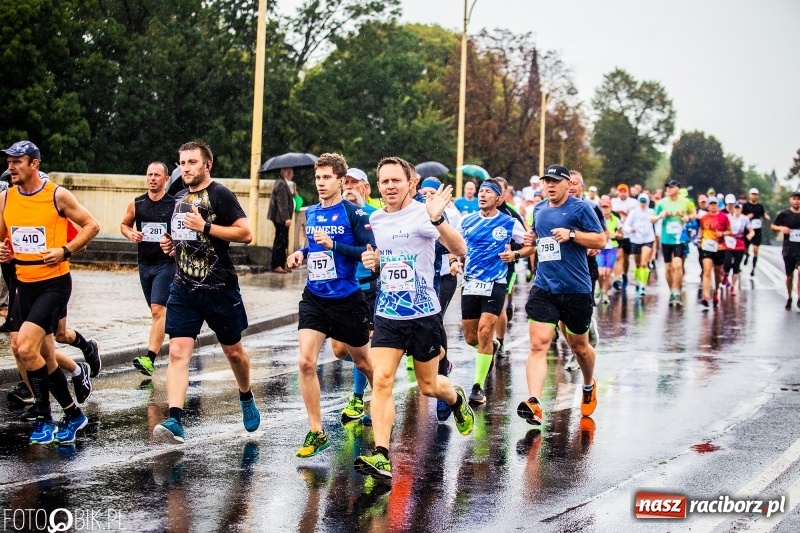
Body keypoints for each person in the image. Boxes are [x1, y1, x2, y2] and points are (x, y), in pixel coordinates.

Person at [354, 157, 474, 483]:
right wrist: (374, 262)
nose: (390, 187)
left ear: (411, 183)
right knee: (381, 380)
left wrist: (437, 220)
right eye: (384, 182)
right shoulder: (376, 219)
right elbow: (386, 260)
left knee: (429, 385)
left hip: (423, 316)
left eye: (396, 180)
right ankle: (381, 454)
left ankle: (456, 398)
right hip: (389, 313)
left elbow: (459, 248)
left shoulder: (424, 215)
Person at [154, 141, 259, 443]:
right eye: (182, 163)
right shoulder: (178, 199)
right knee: (177, 351)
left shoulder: (221, 195)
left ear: (207, 165)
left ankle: (246, 395)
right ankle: (175, 419)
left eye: (192, 162)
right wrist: (169, 244)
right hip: (184, 287)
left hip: (219, 288)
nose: (185, 168)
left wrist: (206, 226)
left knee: (234, 352)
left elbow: (246, 233)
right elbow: (180, 237)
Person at [0, 140, 100, 445]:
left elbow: (91, 226)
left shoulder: (56, 195)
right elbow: (4, 237)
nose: (11, 166)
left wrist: (65, 250)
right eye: (9, 161)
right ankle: (71, 414)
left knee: (28, 348)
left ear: (34, 164)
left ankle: (45, 416)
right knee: (28, 350)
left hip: (54, 284)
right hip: (24, 283)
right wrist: (5, 251)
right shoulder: (6, 198)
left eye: (18, 161)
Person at [285, 154, 375, 457]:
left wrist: (334, 245)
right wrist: (301, 253)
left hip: (348, 299)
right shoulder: (311, 212)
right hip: (315, 297)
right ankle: (316, 431)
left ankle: (384, 400)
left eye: (327, 178)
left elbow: (367, 250)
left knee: (363, 363)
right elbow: (313, 245)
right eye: (317, 178)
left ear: (341, 180)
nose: (321, 183)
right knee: (305, 362)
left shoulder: (355, 213)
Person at [517, 165, 605, 427]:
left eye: (556, 181)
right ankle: (534, 401)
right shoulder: (540, 209)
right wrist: (531, 238)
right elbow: (536, 239)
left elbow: (600, 240)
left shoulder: (581, 209)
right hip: (545, 287)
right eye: (547, 182)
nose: (550, 186)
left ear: (568, 184)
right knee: (538, 344)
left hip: (576, 288)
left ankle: (588, 384)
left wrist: (573, 235)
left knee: (579, 346)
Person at [457, 178, 529, 405]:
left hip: (496, 282)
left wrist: (515, 255)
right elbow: (453, 243)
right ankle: (490, 348)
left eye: (488, 192)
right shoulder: (466, 220)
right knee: (471, 338)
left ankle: (477, 387)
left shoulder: (509, 222)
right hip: (470, 282)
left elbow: (531, 244)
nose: (482, 195)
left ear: (499, 198)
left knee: (485, 330)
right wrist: (453, 259)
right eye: (480, 191)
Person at [330, 167, 378, 423]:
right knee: (339, 349)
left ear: (366, 188)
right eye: (345, 182)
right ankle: (377, 367)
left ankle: (359, 398)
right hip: (339, 288)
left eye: (355, 183)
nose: (349, 186)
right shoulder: (333, 214)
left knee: (362, 344)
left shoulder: (376, 215)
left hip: (367, 287)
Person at [120, 162, 177, 376]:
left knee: (157, 310)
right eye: (149, 175)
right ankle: (177, 333)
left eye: (157, 175)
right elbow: (124, 225)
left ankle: (149, 358)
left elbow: (184, 230)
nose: (152, 178)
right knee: (158, 313)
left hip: (167, 264)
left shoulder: (174, 204)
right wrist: (130, 234)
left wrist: (173, 244)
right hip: (145, 265)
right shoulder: (137, 204)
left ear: (166, 178)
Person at [652, 180, 695, 306]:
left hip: (679, 238)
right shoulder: (662, 203)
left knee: (678, 265)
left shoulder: (686, 202)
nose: (669, 189)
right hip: (666, 239)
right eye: (668, 187)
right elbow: (652, 219)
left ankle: (676, 291)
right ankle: (672, 291)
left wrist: (688, 217)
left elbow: (694, 213)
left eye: (671, 187)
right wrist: (660, 215)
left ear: (678, 188)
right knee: (668, 268)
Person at [698, 197, 731, 310]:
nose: (712, 206)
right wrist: (699, 239)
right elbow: (701, 229)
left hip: (720, 247)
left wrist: (722, 233)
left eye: (714, 204)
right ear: (708, 205)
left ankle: (716, 291)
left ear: (718, 205)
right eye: (710, 204)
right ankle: (706, 297)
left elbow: (730, 231)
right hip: (706, 247)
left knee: (717, 273)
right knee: (706, 271)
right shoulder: (704, 218)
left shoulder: (723, 217)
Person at [771, 191, 800, 310]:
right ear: (790, 200)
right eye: (794, 198)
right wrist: (781, 228)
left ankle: (799, 298)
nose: (796, 201)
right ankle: (789, 297)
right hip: (788, 250)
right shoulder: (784, 214)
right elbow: (773, 226)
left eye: (798, 199)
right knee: (789, 276)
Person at [623, 194, 655, 297]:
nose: (642, 204)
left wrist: (657, 234)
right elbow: (626, 225)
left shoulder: (651, 212)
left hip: (648, 239)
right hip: (636, 239)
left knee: (644, 263)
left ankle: (642, 285)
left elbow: (656, 223)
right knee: (637, 264)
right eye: (641, 201)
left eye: (644, 201)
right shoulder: (634, 212)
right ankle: (638, 281)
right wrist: (630, 229)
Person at [611, 184, 639, 291]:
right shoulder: (613, 202)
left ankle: (625, 274)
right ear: (618, 192)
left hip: (629, 234)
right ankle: (618, 278)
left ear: (628, 192)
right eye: (621, 191)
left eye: (625, 191)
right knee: (619, 255)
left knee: (626, 258)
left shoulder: (633, 203)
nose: (623, 193)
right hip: (618, 232)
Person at [267, 167, 295, 274]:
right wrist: (286, 218)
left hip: (280, 218)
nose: (292, 175)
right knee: (280, 242)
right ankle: (277, 265)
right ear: (287, 173)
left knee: (283, 241)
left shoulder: (281, 183)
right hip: (280, 219)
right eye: (291, 173)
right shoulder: (281, 184)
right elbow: (282, 203)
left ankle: (282, 264)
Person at [723, 201, 754, 294]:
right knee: (727, 264)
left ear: (741, 209)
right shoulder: (728, 217)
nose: (737, 210)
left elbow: (751, 230)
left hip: (740, 244)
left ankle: (733, 286)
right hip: (729, 243)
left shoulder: (744, 219)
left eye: (739, 208)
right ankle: (725, 275)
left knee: (736, 266)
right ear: (733, 209)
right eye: (735, 208)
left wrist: (750, 235)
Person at [596, 196, 620, 305]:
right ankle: (600, 288)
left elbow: (622, 235)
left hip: (612, 248)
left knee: (608, 272)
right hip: (600, 248)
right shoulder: (597, 219)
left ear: (611, 207)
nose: (605, 209)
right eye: (603, 207)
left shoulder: (616, 219)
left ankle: (605, 294)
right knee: (600, 273)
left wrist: (614, 234)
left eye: (607, 207)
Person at [742, 188, 770, 277]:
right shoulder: (745, 206)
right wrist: (747, 217)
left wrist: (766, 217)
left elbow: (763, 214)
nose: (754, 196)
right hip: (748, 231)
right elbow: (740, 216)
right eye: (752, 194)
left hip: (757, 231)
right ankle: (746, 255)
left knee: (756, 250)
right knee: (745, 248)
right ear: (749, 195)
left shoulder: (760, 206)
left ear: (758, 196)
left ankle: (753, 268)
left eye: (756, 194)